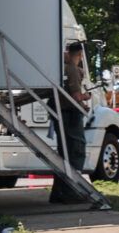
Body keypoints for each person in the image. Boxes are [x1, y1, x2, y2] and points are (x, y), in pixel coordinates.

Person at [49, 41, 92, 204]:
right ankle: (72, 192)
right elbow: (74, 97)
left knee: (63, 153)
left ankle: (58, 193)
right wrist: (85, 97)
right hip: (70, 114)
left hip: (60, 110)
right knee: (75, 152)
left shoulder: (60, 67)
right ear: (80, 54)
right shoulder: (72, 68)